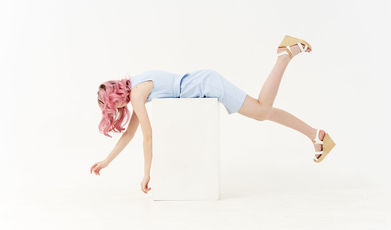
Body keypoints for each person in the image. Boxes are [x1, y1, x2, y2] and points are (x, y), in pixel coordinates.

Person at [90, 35, 335, 194]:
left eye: (114, 107)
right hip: (204, 82)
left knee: (261, 110)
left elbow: (147, 135)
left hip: (206, 83)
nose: (120, 110)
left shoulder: (137, 94)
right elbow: (129, 135)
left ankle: (285, 54)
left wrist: (146, 173)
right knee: (264, 111)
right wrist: (107, 161)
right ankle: (315, 135)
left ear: (116, 98)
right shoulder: (138, 88)